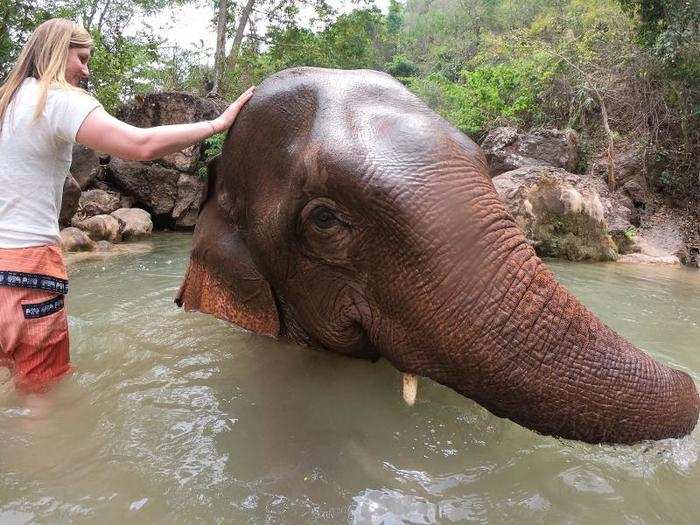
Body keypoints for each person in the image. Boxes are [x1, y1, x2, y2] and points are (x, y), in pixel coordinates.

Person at [0, 18, 255, 390]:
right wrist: (218, 124)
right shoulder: (58, 99)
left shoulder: (7, 101)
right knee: (43, 398)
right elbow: (141, 145)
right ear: (58, 52)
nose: (85, 71)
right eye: (82, 58)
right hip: (30, 272)